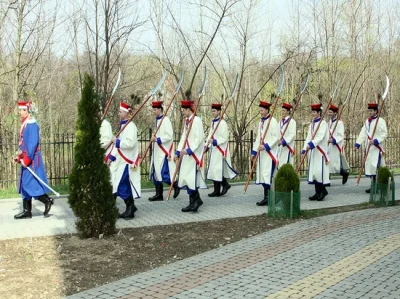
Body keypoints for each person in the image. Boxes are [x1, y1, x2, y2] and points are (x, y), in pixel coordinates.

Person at [14, 101, 53, 219]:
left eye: (21, 110)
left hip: (32, 161)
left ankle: (47, 200)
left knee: (29, 183)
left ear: (27, 111)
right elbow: (23, 144)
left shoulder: (32, 125)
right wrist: (18, 156)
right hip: (26, 159)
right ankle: (27, 211)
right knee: (23, 184)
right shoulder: (26, 124)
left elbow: (32, 145)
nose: (19, 112)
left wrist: (26, 160)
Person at [107, 101, 141, 219]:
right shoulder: (123, 125)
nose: (118, 113)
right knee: (121, 183)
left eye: (120, 111)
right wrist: (111, 157)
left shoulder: (130, 126)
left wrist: (117, 142)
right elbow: (118, 145)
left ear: (126, 113)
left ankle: (130, 207)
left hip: (128, 160)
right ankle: (131, 206)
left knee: (122, 184)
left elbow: (130, 143)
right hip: (121, 159)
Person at [174, 99, 207, 212]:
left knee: (190, 178)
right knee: (187, 178)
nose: (183, 112)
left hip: (193, 154)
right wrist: (178, 151)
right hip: (187, 154)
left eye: (184, 110)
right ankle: (194, 201)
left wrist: (189, 150)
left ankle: (195, 201)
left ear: (189, 109)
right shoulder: (188, 121)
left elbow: (198, 138)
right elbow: (184, 136)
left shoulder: (196, 121)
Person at [148, 101, 179, 201]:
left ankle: (175, 185)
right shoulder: (157, 120)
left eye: (155, 109)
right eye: (153, 109)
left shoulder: (165, 120)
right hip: (157, 151)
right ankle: (159, 194)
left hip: (163, 151)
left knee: (163, 172)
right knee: (155, 172)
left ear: (160, 109)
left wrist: (157, 139)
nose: (154, 111)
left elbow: (169, 135)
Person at [251, 99, 279, 206]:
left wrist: (266, 146)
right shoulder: (261, 122)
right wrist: (254, 151)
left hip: (269, 153)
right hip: (262, 154)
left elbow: (276, 137)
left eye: (262, 110)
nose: (260, 112)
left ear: (267, 110)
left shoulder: (273, 121)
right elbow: (259, 137)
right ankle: (267, 196)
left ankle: (268, 197)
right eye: (259, 110)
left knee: (268, 175)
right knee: (263, 174)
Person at [205, 103, 237, 197]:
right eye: (212, 111)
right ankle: (217, 190)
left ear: (219, 111)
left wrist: (214, 141)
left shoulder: (222, 123)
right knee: (214, 170)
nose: (213, 112)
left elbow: (224, 138)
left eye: (214, 111)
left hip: (220, 149)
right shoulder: (213, 122)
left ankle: (225, 185)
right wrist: (207, 144)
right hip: (214, 149)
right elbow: (210, 134)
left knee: (217, 170)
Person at [354, 102, 387, 193]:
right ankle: (374, 185)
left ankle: (379, 186)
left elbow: (384, 134)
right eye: (369, 111)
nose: (370, 112)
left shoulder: (380, 121)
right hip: (369, 148)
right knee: (370, 167)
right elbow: (363, 133)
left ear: (376, 111)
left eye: (371, 111)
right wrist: (357, 144)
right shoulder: (367, 122)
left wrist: (376, 140)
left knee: (376, 166)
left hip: (376, 148)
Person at [301, 103, 330, 201]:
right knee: (313, 172)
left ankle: (323, 191)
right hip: (313, 151)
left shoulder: (323, 123)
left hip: (320, 151)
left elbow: (320, 137)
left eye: (314, 112)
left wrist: (311, 144)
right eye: (312, 112)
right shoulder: (312, 124)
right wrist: (305, 148)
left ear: (319, 113)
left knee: (319, 172)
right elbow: (309, 137)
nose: (313, 114)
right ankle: (317, 192)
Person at [327, 104, 349, 184]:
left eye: (331, 112)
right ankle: (327, 181)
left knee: (335, 165)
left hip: (336, 146)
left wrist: (333, 140)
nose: (329, 114)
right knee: (327, 162)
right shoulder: (328, 123)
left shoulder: (339, 123)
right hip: (329, 146)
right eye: (329, 112)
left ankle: (344, 173)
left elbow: (340, 135)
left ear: (335, 113)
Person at [277, 102, 296, 167]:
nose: (282, 112)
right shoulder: (279, 122)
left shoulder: (292, 122)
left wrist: (283, 142)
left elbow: (292, 135)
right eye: (282, 110)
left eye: (284, 111)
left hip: (287, 147)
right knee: (280, 165)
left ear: (288, 111)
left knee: (286, 166)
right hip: (280, 148)